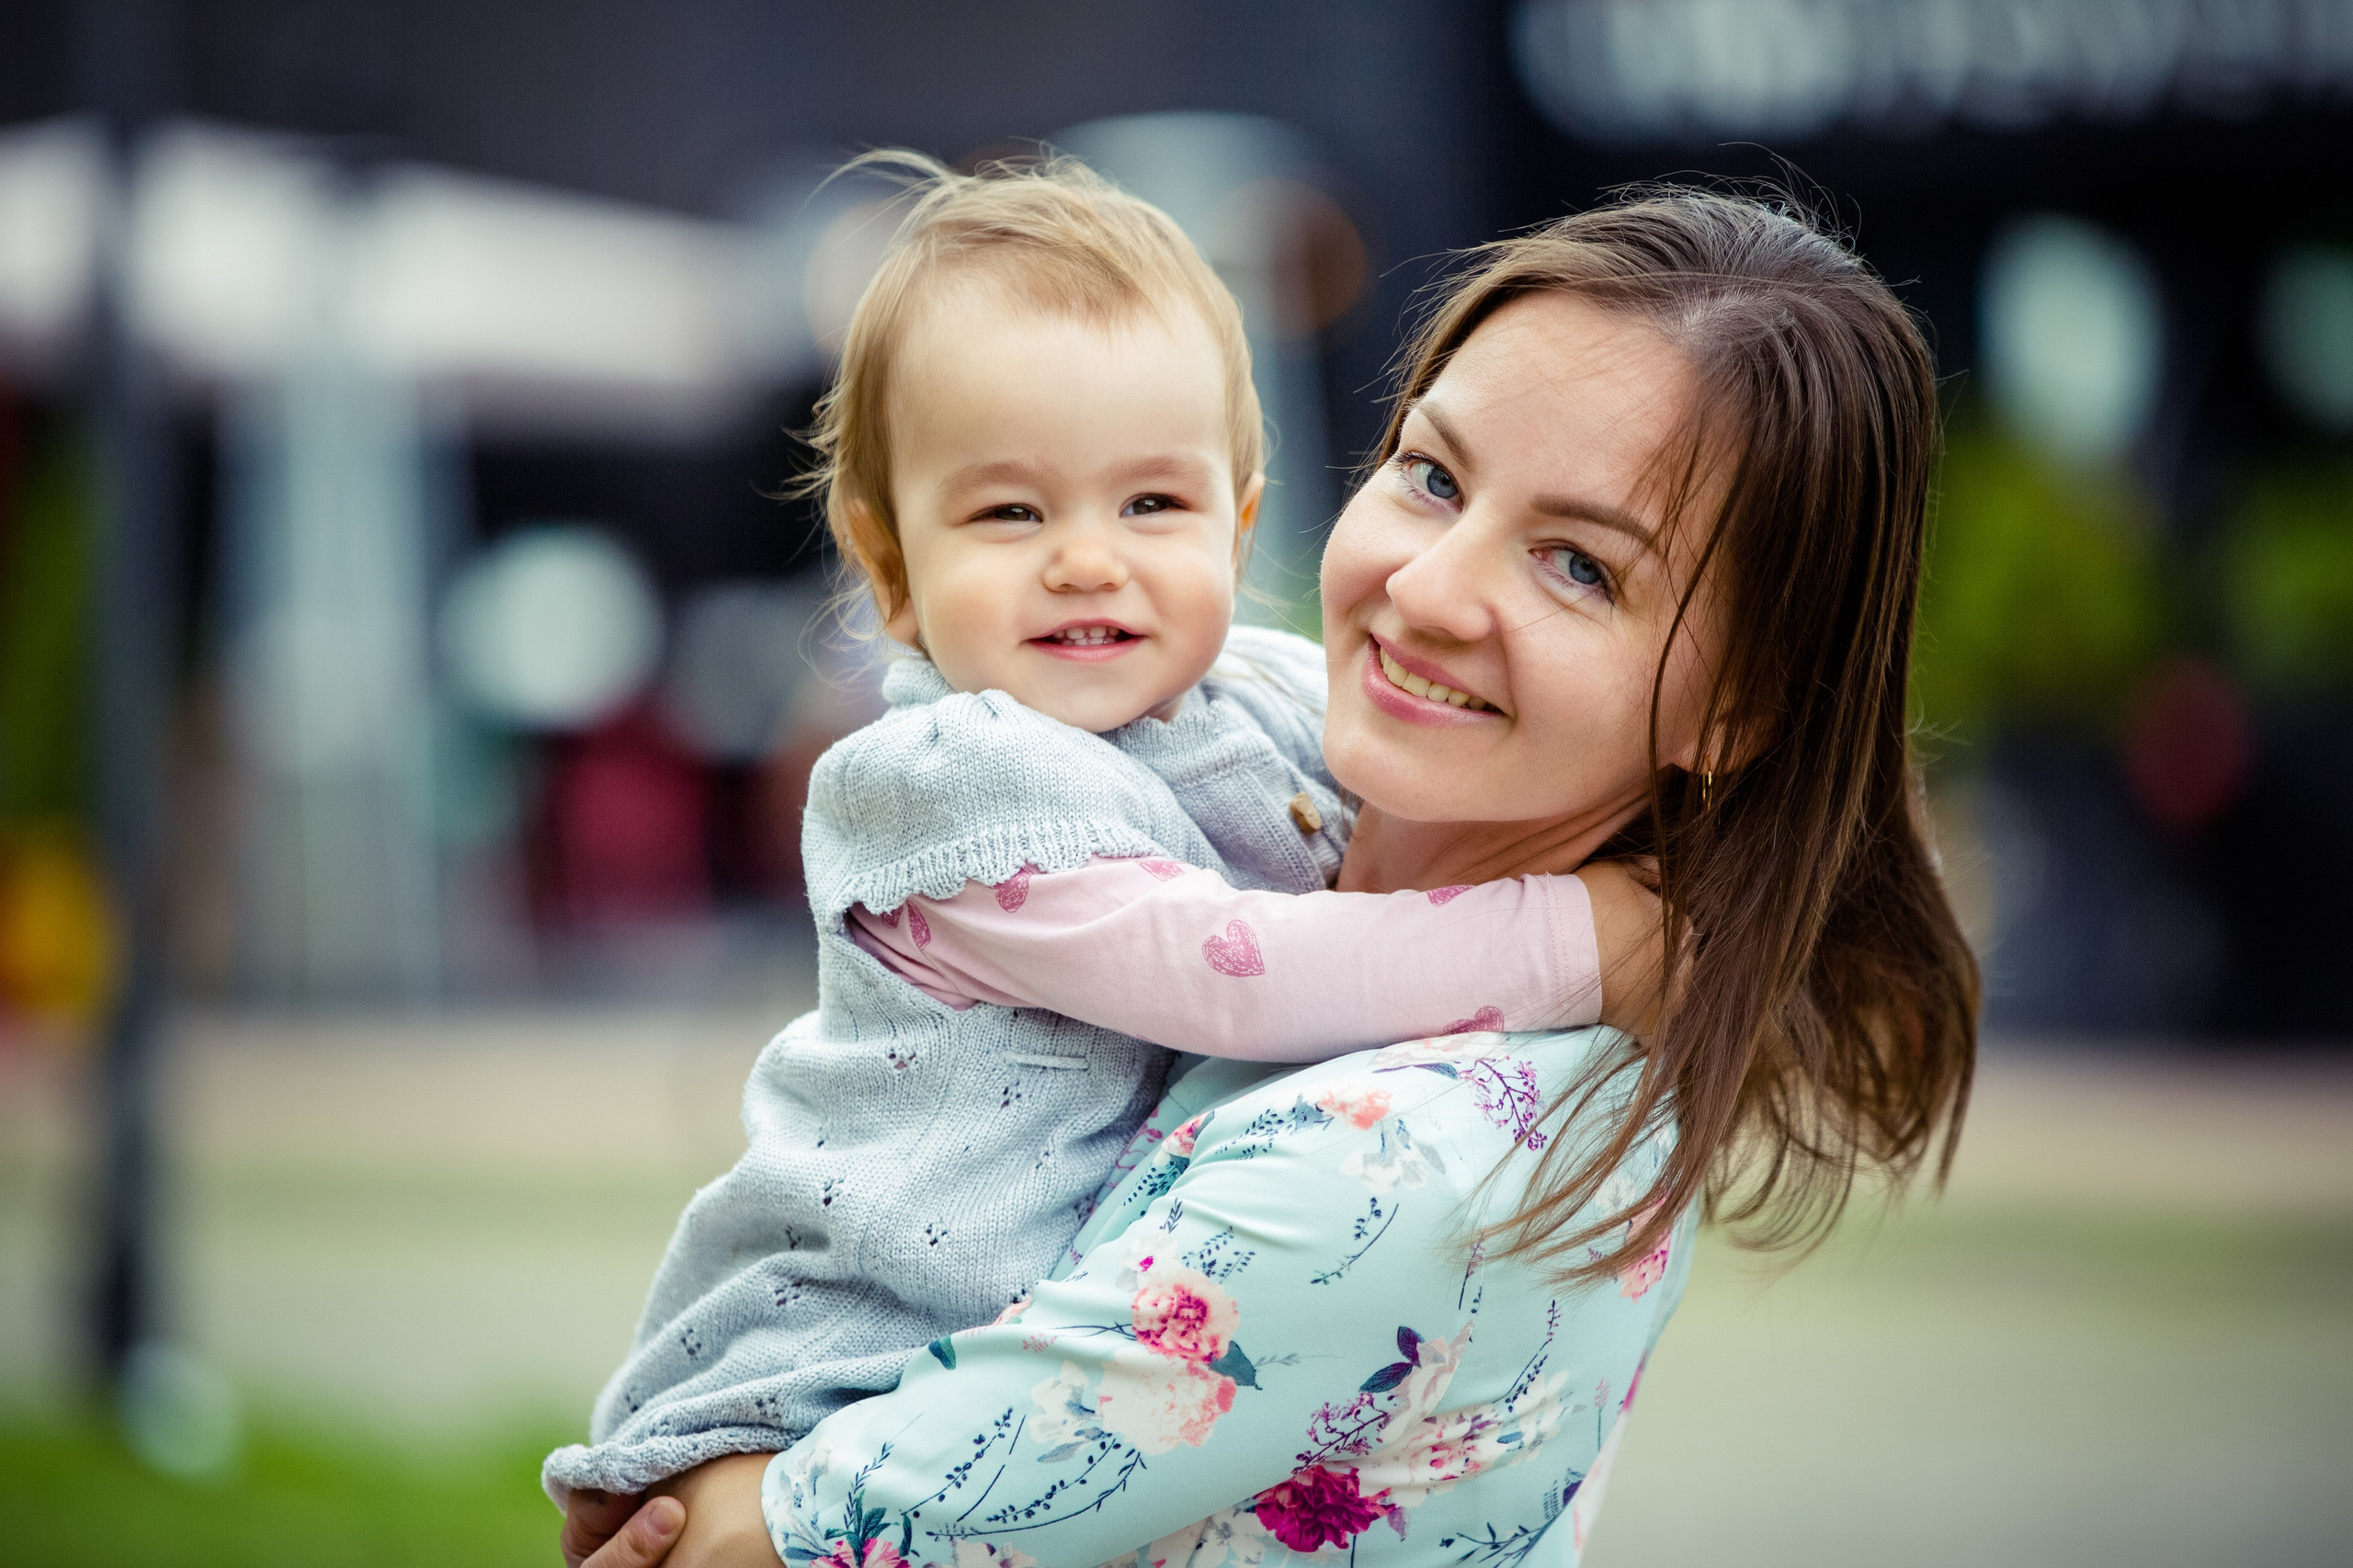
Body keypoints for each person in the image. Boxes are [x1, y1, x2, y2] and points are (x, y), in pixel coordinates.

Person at [562, 185, 1979, 1568]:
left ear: (1743, 710)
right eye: (1431, 475)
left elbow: (785, 1537)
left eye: (1576, 566)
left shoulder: (1406, 1162)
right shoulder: (1076, 761)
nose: (1424, 588)